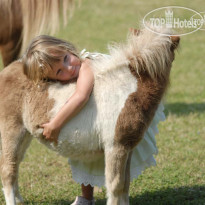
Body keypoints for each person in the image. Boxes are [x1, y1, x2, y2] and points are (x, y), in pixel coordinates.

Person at [22, 34, 166, 205]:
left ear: (67, 48)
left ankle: (115, 195)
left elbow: (80, 97)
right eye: (59, 72)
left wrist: (55, 124)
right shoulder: (72, 74)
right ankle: (87, 197)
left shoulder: (87, 65)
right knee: (84, 157)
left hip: (114, 112)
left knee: (114, 154)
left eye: (66, 59)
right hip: (95, 116)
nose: (69, 68)